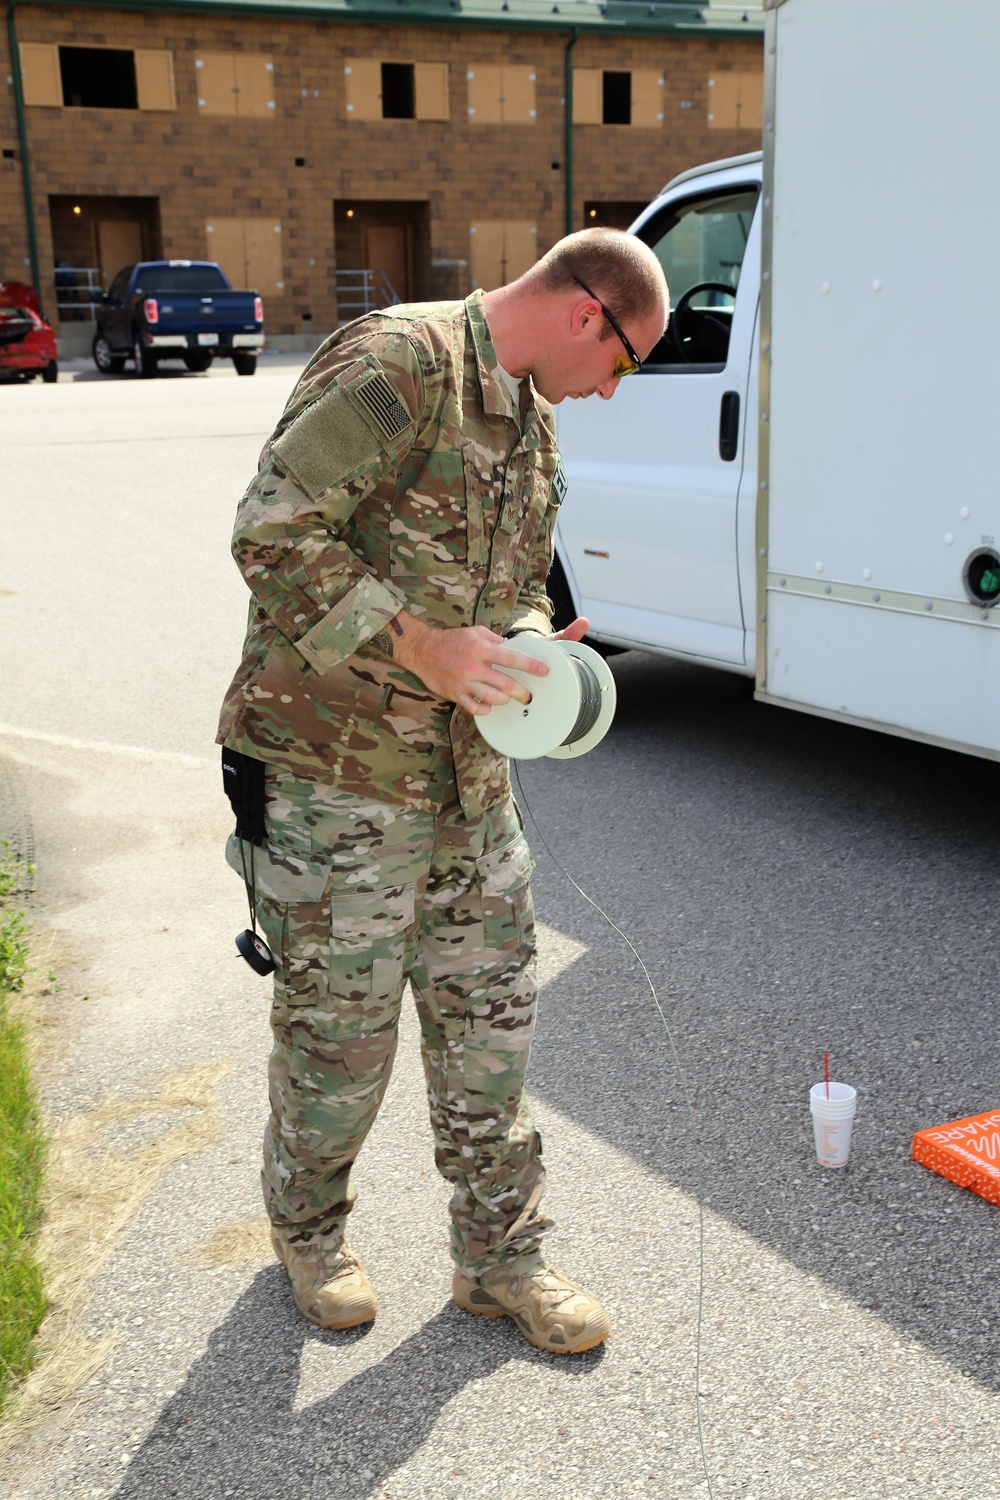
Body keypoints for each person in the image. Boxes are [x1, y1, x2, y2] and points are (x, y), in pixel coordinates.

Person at [218, 229, 669, 1355]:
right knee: (339, 1036)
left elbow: (513, 586)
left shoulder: (531, 416)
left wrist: (525, 655)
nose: (611, 389)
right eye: (621, 361)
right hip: (335, 778)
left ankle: (499, 1257)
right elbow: (272, 527)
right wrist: (424, 649)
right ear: (585, 314)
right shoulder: (400, 363)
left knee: (492, 1024)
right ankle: (309, 1234)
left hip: (467, 783)